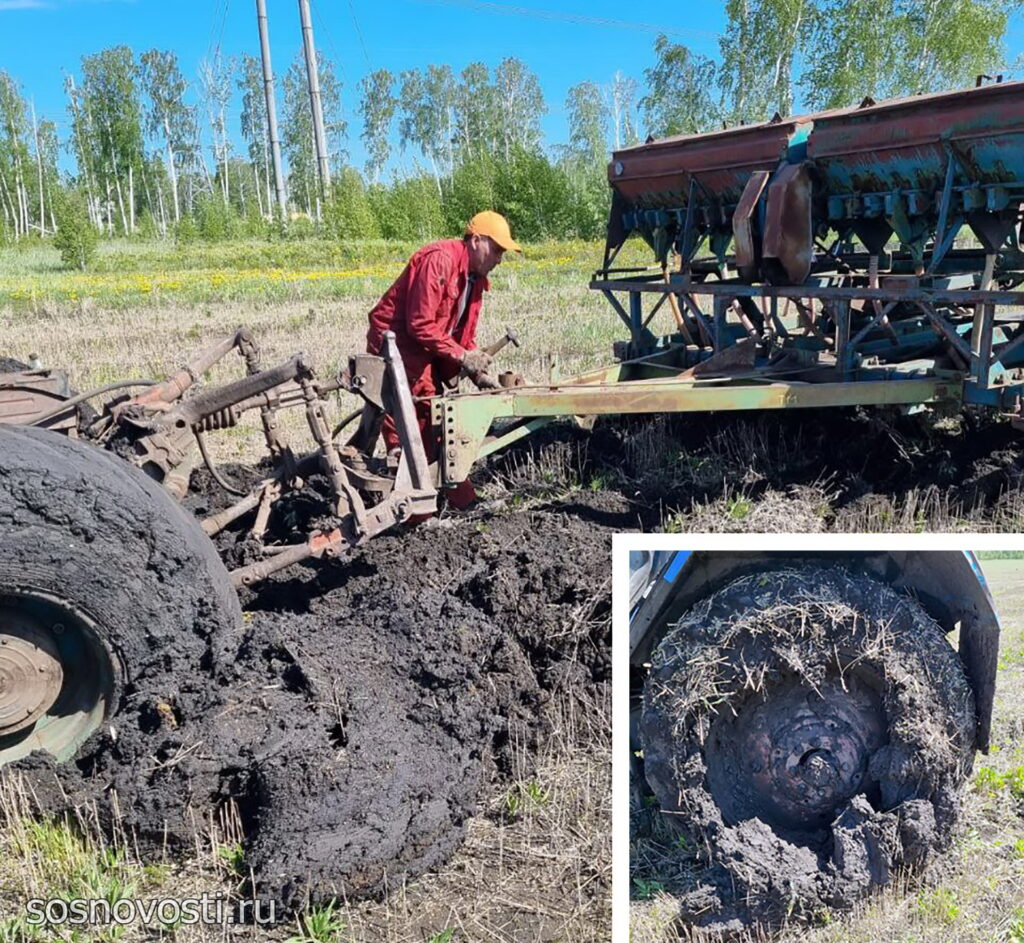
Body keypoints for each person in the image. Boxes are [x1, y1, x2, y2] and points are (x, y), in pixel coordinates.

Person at [366, 210, 521, 508]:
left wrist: (478, 374)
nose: (500, 258)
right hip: (397, 342)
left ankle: (453, 498)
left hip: (424, 345)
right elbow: (420, 323)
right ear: (476, 241)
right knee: (423, 415)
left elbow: (463, 339)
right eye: (497, 249)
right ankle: (417, 506)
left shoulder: (476, 281)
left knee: (444, 416)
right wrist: (462, 356)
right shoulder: (440, 259)